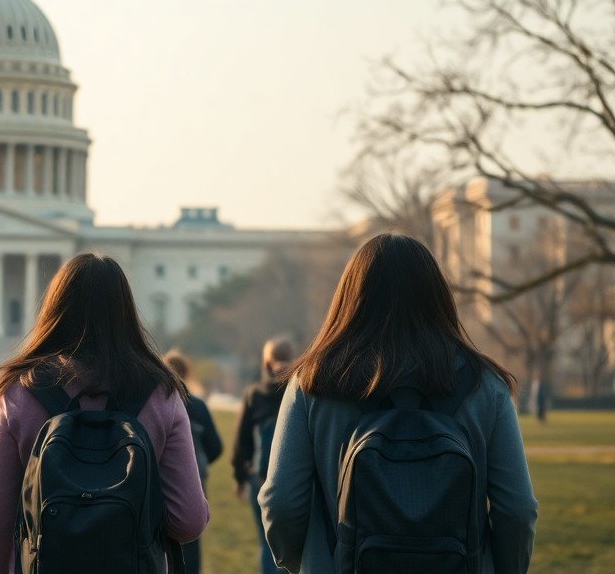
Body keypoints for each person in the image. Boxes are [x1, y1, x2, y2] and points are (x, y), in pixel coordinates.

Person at [258, 233, 538, 573]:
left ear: (351, 297)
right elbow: (518, 508)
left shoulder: (312, 383)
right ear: (437, 297)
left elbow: (281, 503)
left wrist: (303, 562)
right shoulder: (486, 385)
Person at [0, 252, 210, 573]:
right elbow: (189, 521)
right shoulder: (161, 393)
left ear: (54, 309)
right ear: (125, 311)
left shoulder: (17, 394)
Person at [232, 337, 295, 574]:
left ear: (266, 363)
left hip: (260, 479)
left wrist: (239, 476)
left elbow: (241, 442)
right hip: (295, 480)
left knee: (266, 543)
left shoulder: (254, 393)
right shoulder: (302, 388)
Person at [164, 350, 223, 574]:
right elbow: (216, 446)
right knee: (191, 534)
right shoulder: (197, 406)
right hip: (195, 477)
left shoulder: (155, 402)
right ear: (187, 373)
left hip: (162, 481)